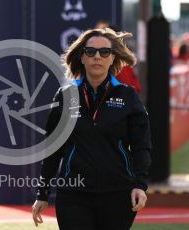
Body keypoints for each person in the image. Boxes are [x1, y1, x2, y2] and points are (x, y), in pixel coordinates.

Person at [32, 28, 151, 229]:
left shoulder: (128, 96)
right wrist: (42, 193)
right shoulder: (65, 96)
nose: (97, 57)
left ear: (112, 58)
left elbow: (142, 146)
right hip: (73, 195)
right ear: (82, 56)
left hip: (118, 194)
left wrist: (140, 185)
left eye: (104, 52)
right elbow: (52, 151)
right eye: (91, 52)